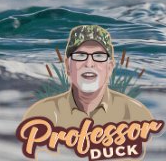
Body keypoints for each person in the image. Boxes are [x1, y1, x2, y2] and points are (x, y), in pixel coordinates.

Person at [22, 25, 154, 128]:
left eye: (98, 56)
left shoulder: (136, 115)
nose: (89, 63)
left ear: (110, 67)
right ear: (68, 66)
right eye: (80, 55)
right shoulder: (41, 115)